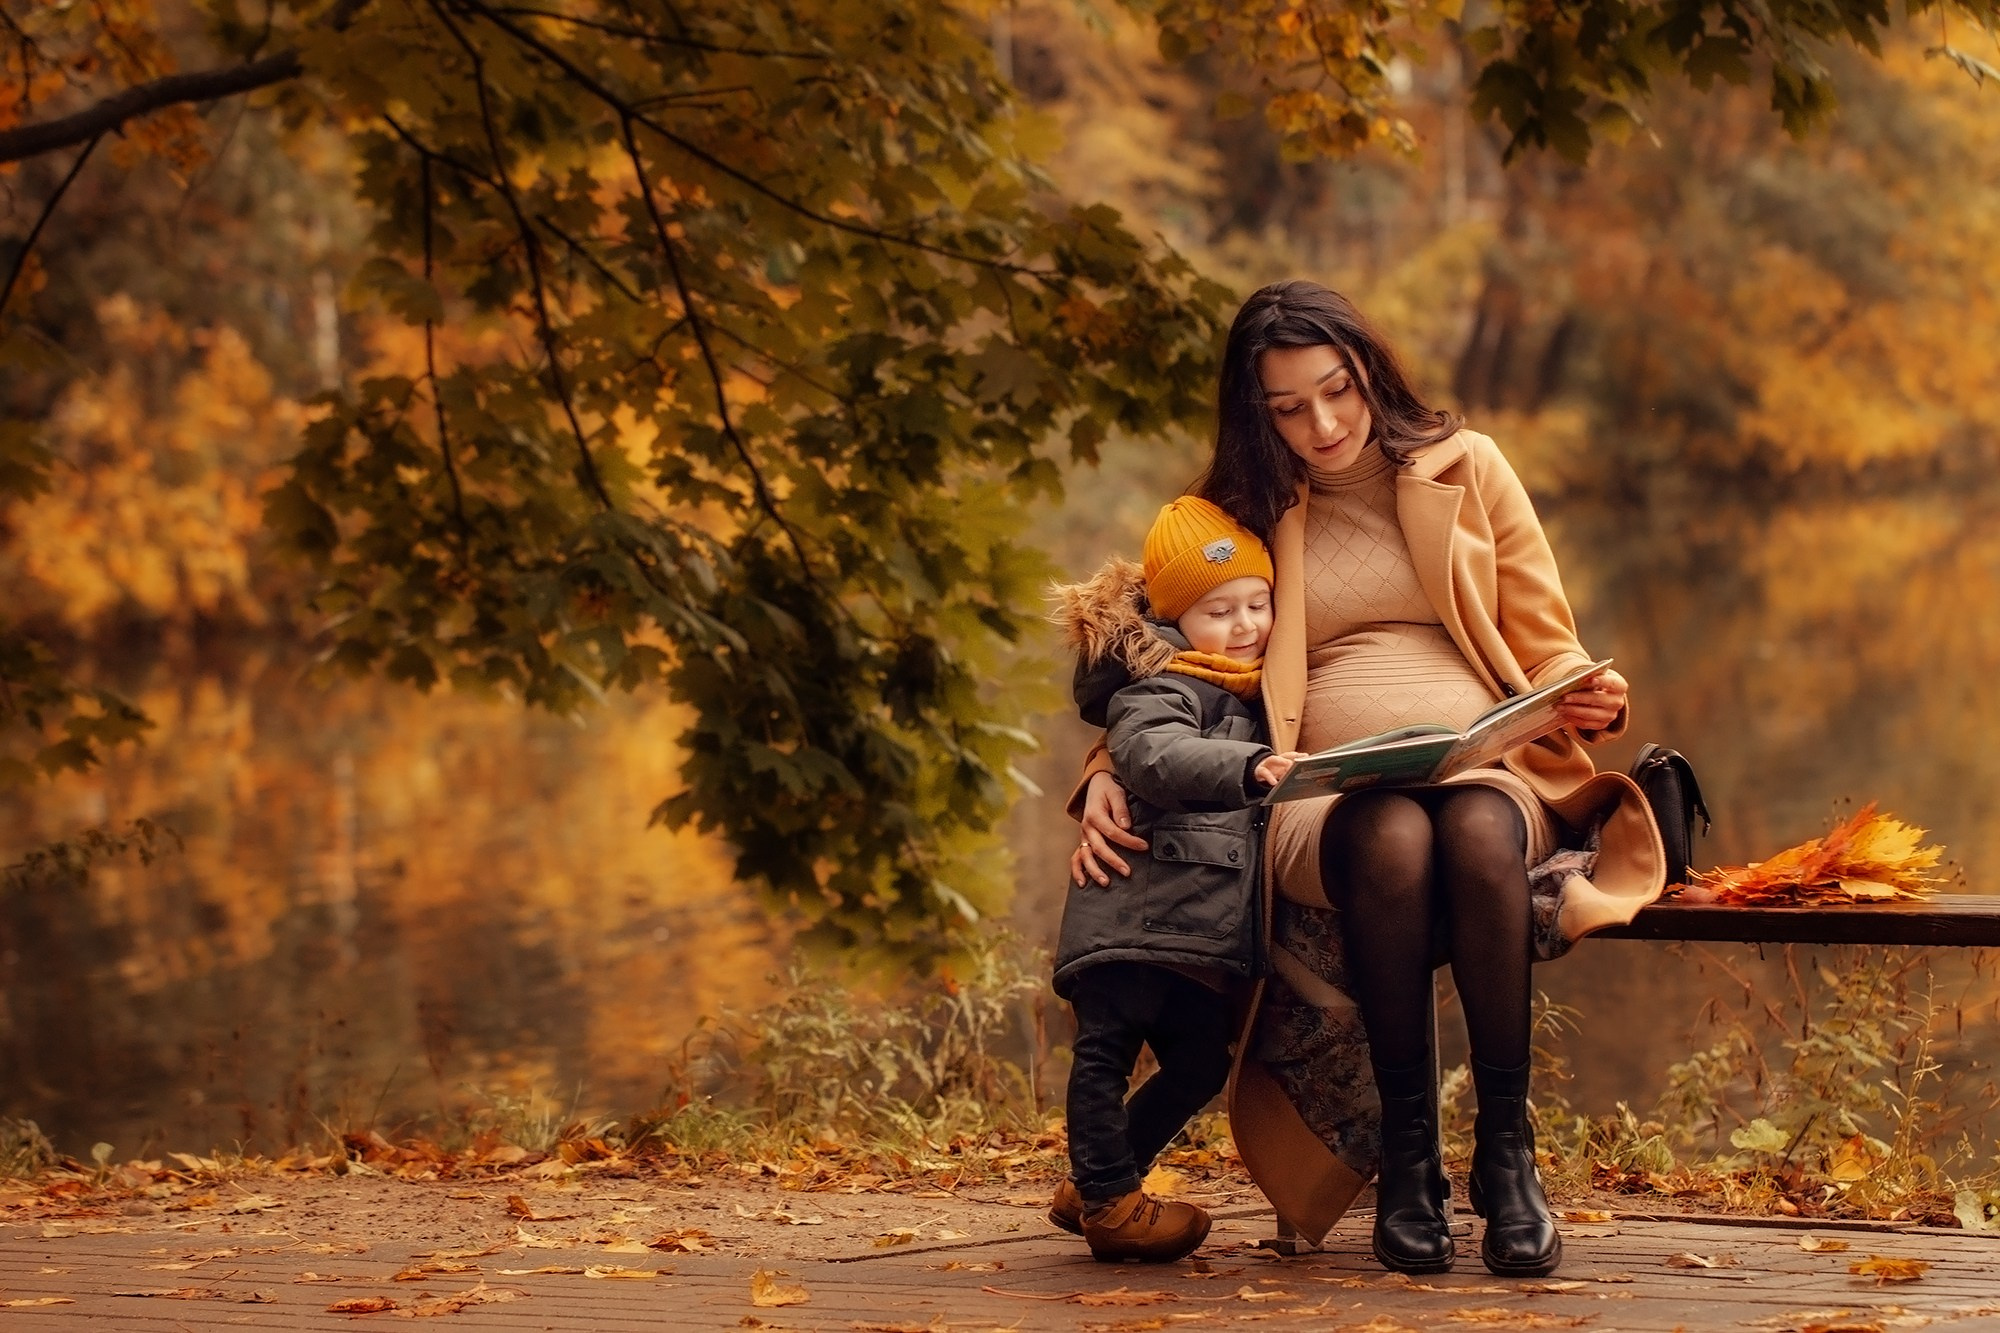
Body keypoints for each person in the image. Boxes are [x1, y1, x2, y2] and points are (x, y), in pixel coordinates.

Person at [1069, 280, 1665, 1278]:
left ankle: (1507, 1155)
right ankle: (1408, 1157)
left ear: (1368, 372)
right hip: (1318, 796)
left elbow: (1548, 645)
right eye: (1287, 407)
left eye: (1334, 390)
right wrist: (1098, 772)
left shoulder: (1466, 468)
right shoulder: (1237, 513)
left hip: (1485, 763)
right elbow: (1160, 664)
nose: (1321, 423)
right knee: (1388, 831)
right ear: (1255, 413)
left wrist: (1590, 696)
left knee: (1474, 830)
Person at [1044, 496, 1305, 1263]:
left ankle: (1098, 1179)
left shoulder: (1250, 687)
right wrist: (1251, 765)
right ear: (1171, 618)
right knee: (1105, 1050)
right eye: (1219, 610)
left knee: (1198, 1061)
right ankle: (1110, 1205)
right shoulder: (1158, 684)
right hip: (1129, 910)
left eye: (1258, 603)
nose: (1247, 625)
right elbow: (1157, 756)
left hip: (1186, 929)